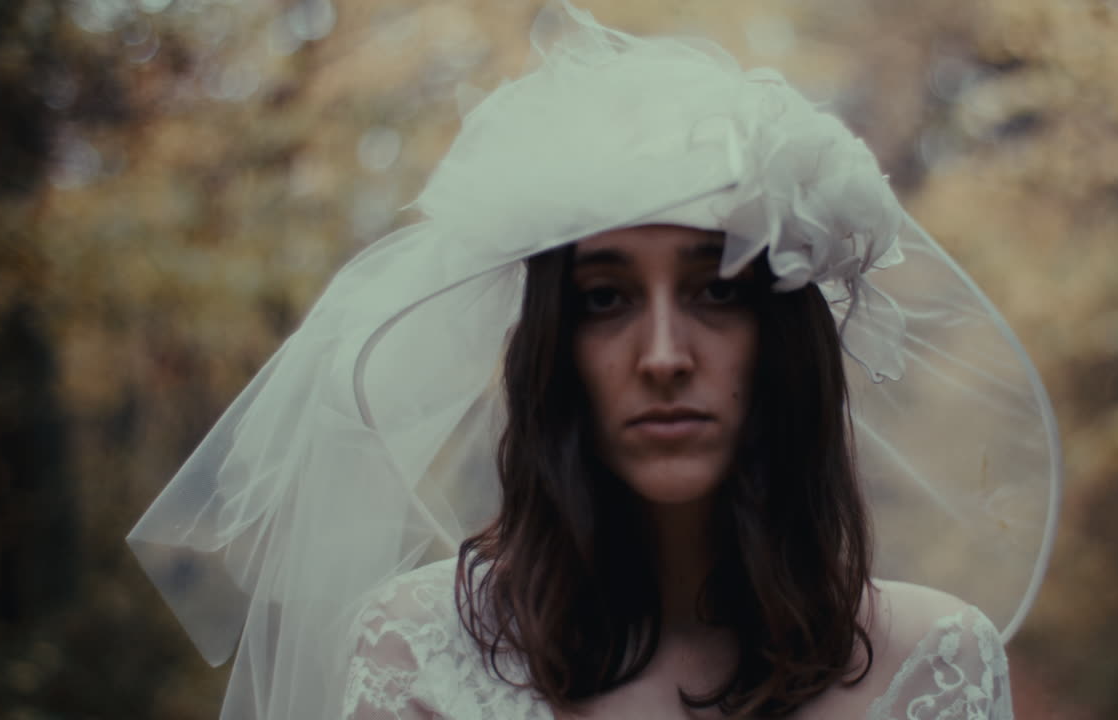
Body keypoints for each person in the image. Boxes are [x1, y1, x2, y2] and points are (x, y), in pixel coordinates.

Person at [129, 3, 1061, 719]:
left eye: (718, 291)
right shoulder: (417, 652)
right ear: (553, 353)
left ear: (784, 343)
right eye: (605, 299)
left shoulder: (939, 663)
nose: (662, 356)